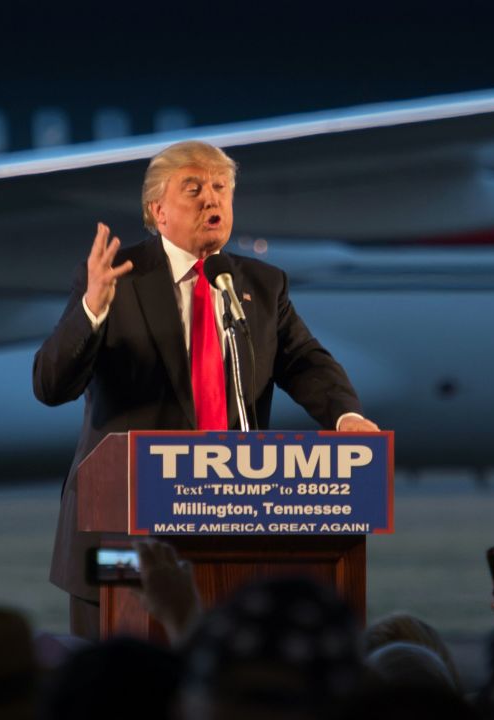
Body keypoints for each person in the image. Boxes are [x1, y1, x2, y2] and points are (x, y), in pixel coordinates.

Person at [33, 140, 378, 637]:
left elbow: (305, 361)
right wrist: (92, 308)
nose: (211, 199)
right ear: (158, 210)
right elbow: (50, 384)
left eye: (220, 188)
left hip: (234, 532)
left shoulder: (260, 285)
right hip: (122, 535)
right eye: (193, 189)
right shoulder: (117, 280)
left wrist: (345, 417)